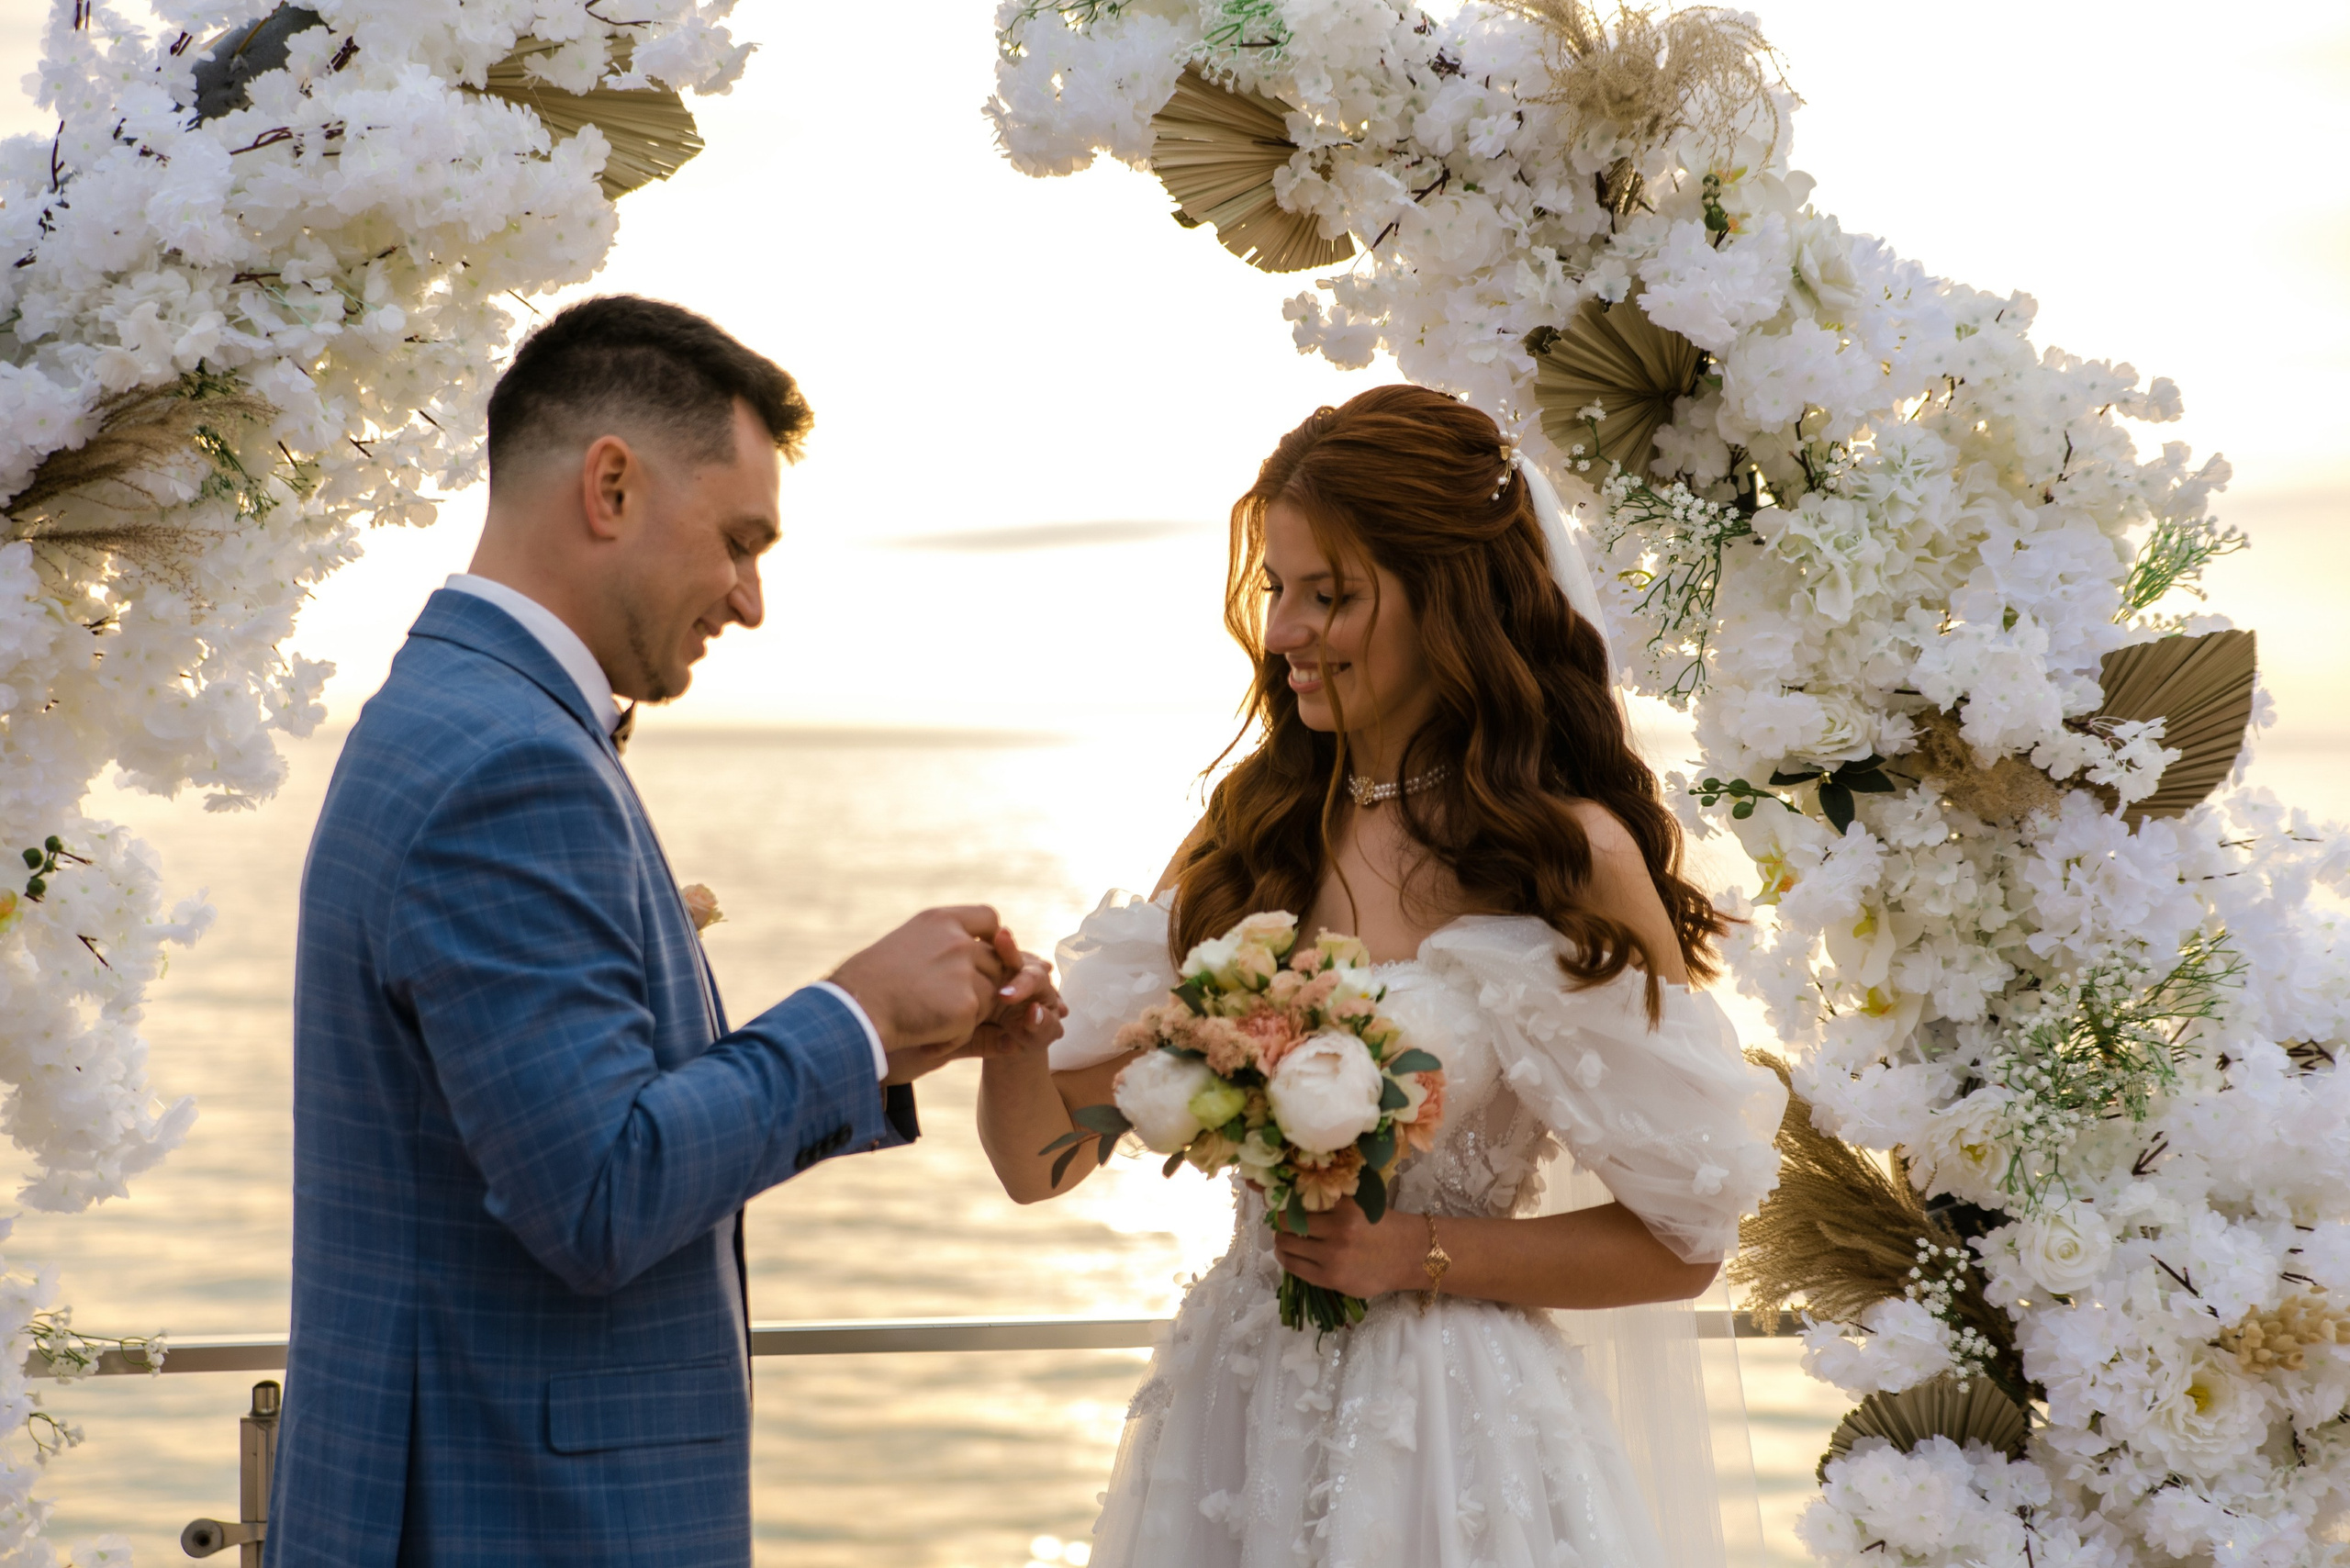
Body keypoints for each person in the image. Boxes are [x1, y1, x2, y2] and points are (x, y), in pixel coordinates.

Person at [269, 295, 1063, 1566]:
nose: (750, 601)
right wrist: (848, 1019)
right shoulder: (507, 764)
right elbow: (598, 1195)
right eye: (740, 541)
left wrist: (891, 1047)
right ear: (613, 486)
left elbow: (561, 1130)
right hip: (513, 1519)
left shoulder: (467, 710)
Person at [975, 385, 1786, 1567]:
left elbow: (1683, 1244)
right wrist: (1008, 1038)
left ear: (1447, 602)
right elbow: (1039, 1162)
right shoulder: (1244, 840)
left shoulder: (1562, 859)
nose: (1286, 629)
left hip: (1454, 1437)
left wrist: (1413, 1257)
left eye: (1332, 593)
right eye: (1279, 590)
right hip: (1232, 1417)